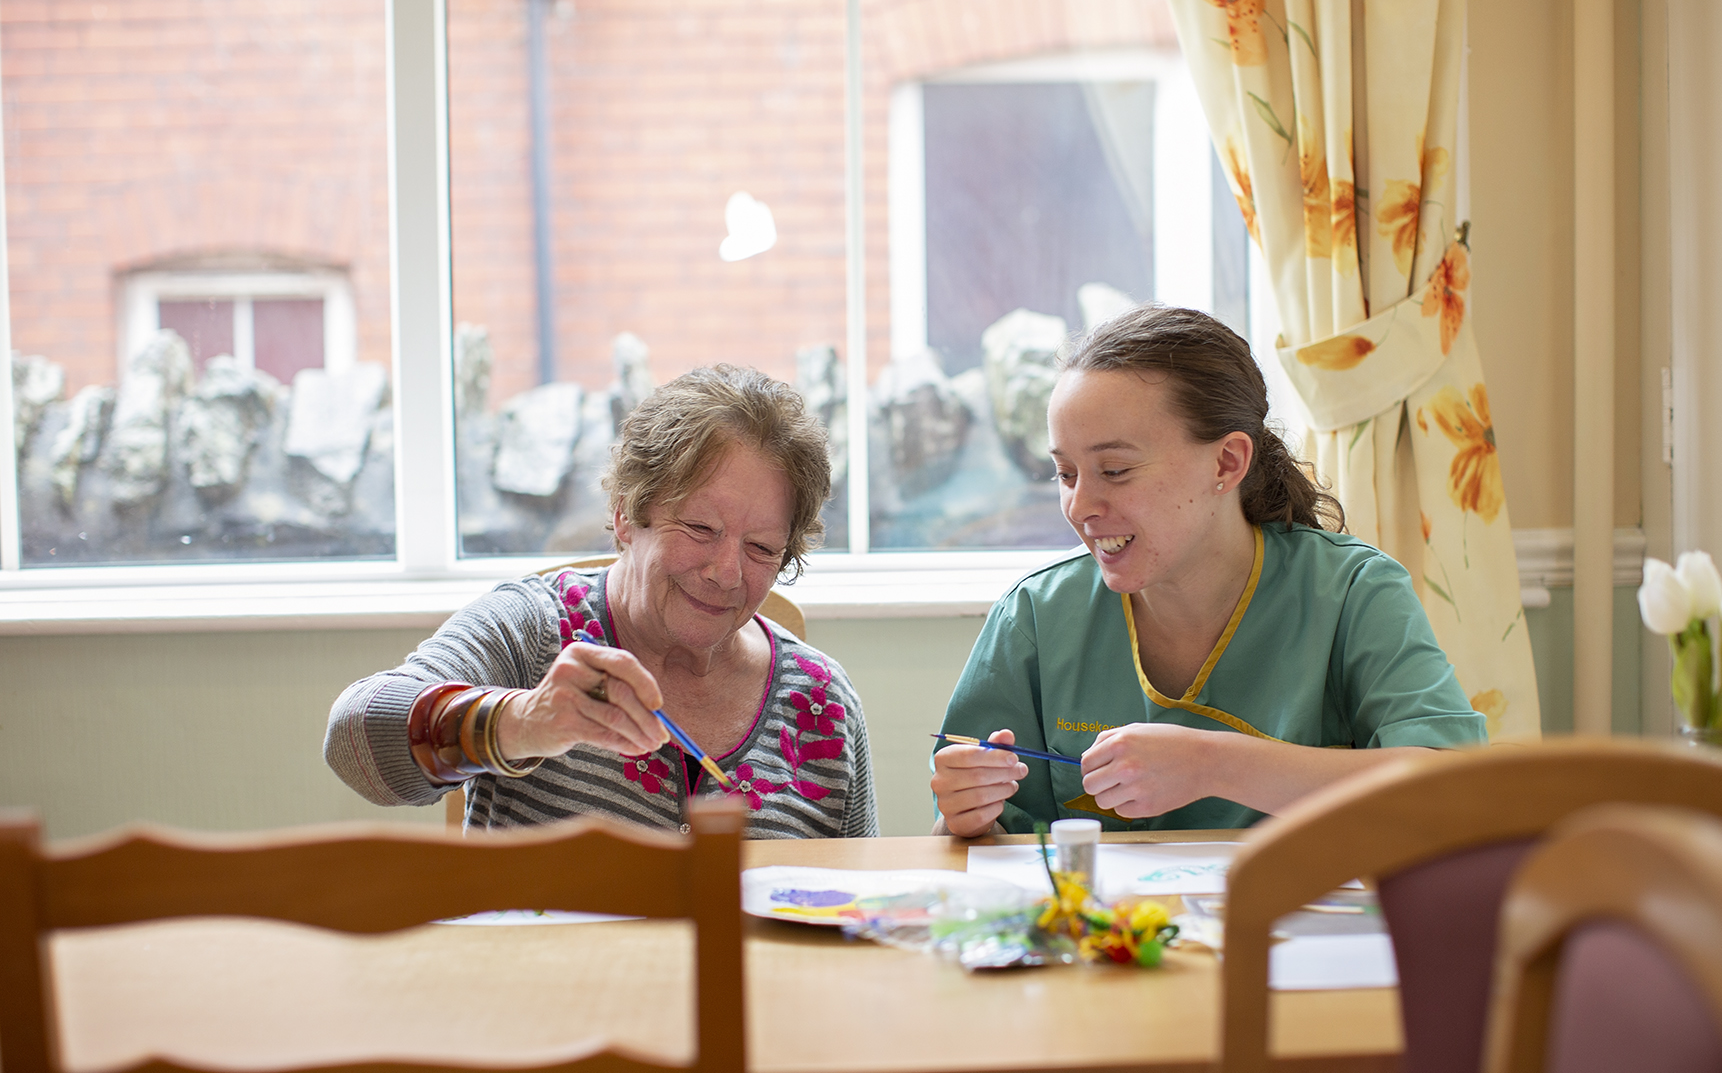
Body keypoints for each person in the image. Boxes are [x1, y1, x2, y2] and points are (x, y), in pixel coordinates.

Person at [930, 306, 1485, 837]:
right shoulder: (1035, 616)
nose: (1079, 506)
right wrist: (965, 815)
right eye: (1066, 474)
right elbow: (977, 840)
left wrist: (1212, 764)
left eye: (1116, 470)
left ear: (1227, 463)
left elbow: (1452, 791)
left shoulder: (1353, 594)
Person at [326, 364, 877, 838]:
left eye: (761, 548)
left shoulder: (821, 703)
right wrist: (522, 721)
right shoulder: (535, 631)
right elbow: (353, 741)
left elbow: (855, 907)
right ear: (625, 513)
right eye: (700, 527)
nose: (726, 573)